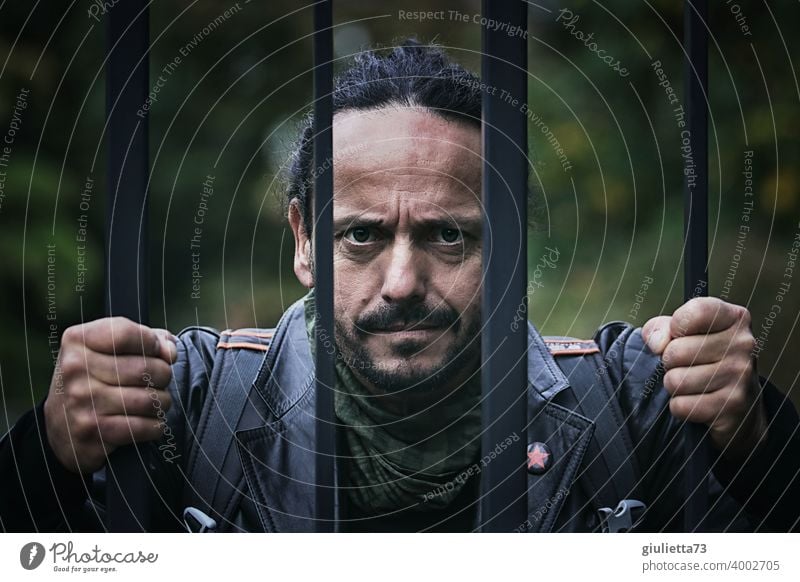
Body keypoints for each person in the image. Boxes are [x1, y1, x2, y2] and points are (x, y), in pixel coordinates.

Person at [1, 41, 798, 533]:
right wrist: (51, 454)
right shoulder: (185, 405)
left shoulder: (633, 402)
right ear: (305, 244)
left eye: (449, 234)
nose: (404, 281)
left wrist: (759, 433)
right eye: (362, 234)